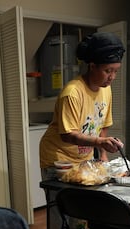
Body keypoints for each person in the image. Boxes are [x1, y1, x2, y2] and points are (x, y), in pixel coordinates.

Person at [39, 31, 125, 181]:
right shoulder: (72, 93)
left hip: (84, 159)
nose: (112, 77)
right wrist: (100, 142)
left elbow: (104, 124)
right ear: (92, 66)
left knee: (85, 202)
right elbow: (68, 134)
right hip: (59, 159)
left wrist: (103, 154)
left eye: (116, 71)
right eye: (107, 71)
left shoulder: (106, 89)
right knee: (64, 202)